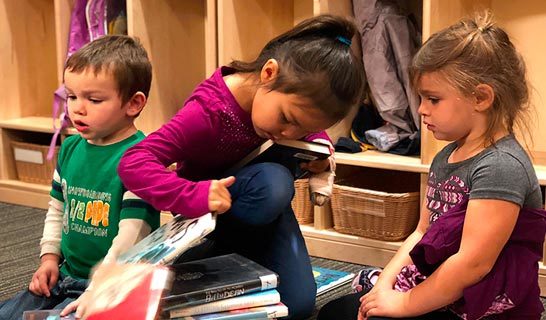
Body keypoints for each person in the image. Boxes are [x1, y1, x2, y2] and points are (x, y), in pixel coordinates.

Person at [117, 14, 365, 319]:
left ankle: (232, 258)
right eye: (288, 120)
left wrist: (317, 152)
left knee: (297, 307)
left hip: (259, 211)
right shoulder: (209, 112)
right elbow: (133, 162)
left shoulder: (288, 103)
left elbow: (307, 127)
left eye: (301, 130)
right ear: (269, 73)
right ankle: (199, 258)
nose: (289, 134)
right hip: (213, 214)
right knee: (275, 183)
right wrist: (195, 194)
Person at [318, 11, 546, 320]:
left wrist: (404, 304)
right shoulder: (445, 156)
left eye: (433, 99)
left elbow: (472, 265)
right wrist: (384, 285)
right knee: (341, 311)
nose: (421, 110)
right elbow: (422, 231)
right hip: (443, 291)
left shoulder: (501, 166)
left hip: (481, 308)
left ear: (480, 97)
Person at [0, 35, 159, 319]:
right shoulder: (71, 147)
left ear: (133, 104)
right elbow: (57, 208)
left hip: (111, 282)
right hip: (65, 276)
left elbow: (131, 237)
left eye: (94, 99)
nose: (77, 108)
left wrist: (100, 286)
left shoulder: (140, 158)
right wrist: (49, 258)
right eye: (72, 96)